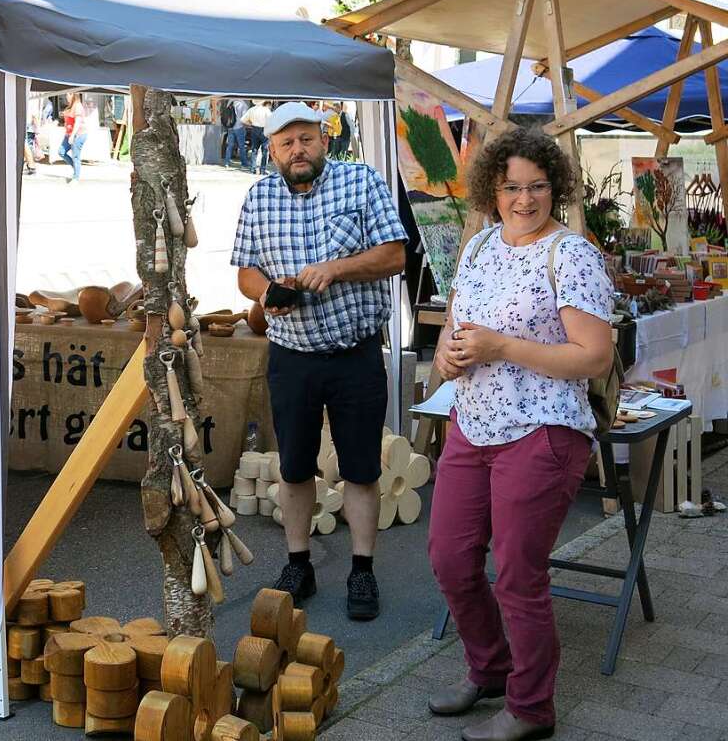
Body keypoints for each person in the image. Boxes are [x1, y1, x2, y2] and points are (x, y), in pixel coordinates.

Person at [427, 127, 614, 741]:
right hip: (472, 422)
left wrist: (502, 346)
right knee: (451, 559)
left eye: (536, 187)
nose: (524, 200)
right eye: (511, 187)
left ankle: (532, 708)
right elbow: (450, 338)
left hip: (542, 429)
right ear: (493, 189)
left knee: (517, 574)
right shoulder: (478, 248)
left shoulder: (572, 254)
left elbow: (594, 359)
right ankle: (489, 668)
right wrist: (448, 359)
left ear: (554, 188)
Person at [230, 102, 407, 620]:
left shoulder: (362, 182)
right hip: (292, 356)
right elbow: (245, 271)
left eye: (306, 139)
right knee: (294, 467)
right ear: (272, 151)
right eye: (286, 143)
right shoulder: (258, 197)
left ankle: (362, 571)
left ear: (325, 141)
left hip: (355, 355)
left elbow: (395, 256)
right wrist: (267, 292)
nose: (297, 150)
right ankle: (298, 563)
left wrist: (338, 269)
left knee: (360, 468)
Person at [58, 92, 87, 183]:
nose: (66, 96)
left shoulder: (77, 106)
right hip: (69, 134)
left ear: (73, 95)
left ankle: (76, 177)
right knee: (61, 152)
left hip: (77, 135)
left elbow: (78, 123)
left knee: (75, 156)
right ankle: (76, 168)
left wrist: (73, 135)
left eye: (68, 94)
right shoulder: (71, 105)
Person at [241, 100, 272, 175]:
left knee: (254, 149)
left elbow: (242, 120)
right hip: (264, 130)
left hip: (254, 129)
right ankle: (263, 169)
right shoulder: (266, 110)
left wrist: (251, 123)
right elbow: (271, 120)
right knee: (265, 150)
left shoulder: (251, 110)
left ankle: (253, 168)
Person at [221, 98, 252, 170]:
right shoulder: (243, 104)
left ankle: (226, 163)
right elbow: (244, 119)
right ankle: (244, 164)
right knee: (241, 146)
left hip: (230, 127)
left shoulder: (230, 102)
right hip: (239, 127)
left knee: (230, 146)